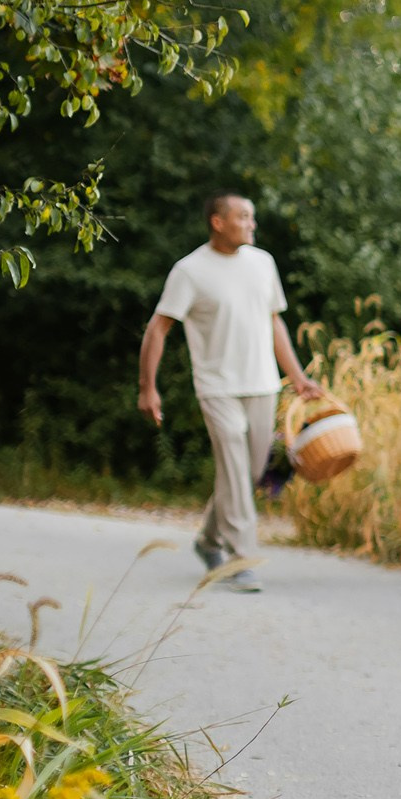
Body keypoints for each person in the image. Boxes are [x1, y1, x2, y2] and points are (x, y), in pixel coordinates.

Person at [138, 193, 321, 592]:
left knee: (250, 472)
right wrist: (147, 388)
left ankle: (207, 541)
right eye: (242, 217)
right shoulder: (190, 270)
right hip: (217, 387)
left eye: (252, 217)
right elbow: (158, 328)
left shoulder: (263, 263)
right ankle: (242, 558)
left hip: (263, 384)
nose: (251, 224)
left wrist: (298, 377)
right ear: (218, 222)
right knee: (236, 471)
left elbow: (274, 323)